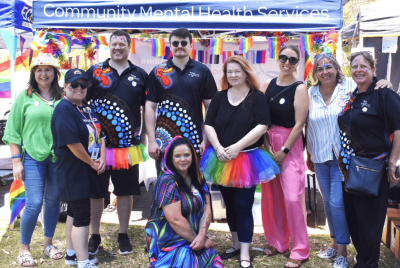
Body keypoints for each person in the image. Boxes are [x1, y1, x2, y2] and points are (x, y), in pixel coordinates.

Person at [306, 53, 392, 268]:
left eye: (329, 67)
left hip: (345, 160)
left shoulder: (349, 90)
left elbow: (390, 120)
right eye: (320, 68)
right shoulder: (312, 93)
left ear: (336, 68)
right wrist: (308, 154)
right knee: (331, 204)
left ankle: (346, 251)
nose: (325, 71)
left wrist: (384, 81)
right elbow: (305, 123)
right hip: (320, 155)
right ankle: (337, 246)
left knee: (339, 204)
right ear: (315, 73)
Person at [199, 55, 280, 268]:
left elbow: (261, 126)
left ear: (245, 73)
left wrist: (237, 147)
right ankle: (235, 245)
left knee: (244, 207)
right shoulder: (219, 97)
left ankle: (245, 252)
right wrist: (217, 148)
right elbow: (209, 125)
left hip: (247, 159)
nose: (233, 75)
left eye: (237, 71)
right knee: (230, 207)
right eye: (229, 72)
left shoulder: (257, 97)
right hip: (221, 159)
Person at [85, 30, 148, 255]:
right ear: (109, 46)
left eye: (122, 44)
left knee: (125, 191)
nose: (118, 47)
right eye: (114, 44)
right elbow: (81, 102)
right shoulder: (95, 71)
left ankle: (123, 234)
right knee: (96, 193)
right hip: (97, 147)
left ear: (129, 46)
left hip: (128, 147)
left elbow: (147, 108)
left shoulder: (140, 74)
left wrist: (143, 139)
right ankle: (94, 235)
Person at [337, 51, 400, 268]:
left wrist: (393, 162)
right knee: (354, 220)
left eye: (364, 66)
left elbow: (398, 129)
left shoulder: (384, 95)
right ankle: (362, 261)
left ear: (373, 69)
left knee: (370, 223)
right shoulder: (353, 96)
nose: (359, 70)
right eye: (354, 66)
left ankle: (369, 264)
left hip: (373, 169)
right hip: (349, 170)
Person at [3, 53, 63, 267]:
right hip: (32, 159)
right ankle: (24, 248)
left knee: (54, 202)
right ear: (33, 73)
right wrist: (16, 161)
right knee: (35, 203)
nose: (43, 73)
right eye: (39, 69)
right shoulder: (25, 97)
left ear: (55, 73)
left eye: (48, 69)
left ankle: (48, 244)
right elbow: (12, 132)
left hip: (58, 159)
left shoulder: (62, 96)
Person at [51, 68, 105, 268]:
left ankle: (72, 254)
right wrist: (92, 162)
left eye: (83, 85)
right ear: (65, 87)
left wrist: (102, 158)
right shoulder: (63, 109)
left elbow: (101, 134)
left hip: (87, 169)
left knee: (74, 212)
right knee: (82, 216)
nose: (79, 88)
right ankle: (83, 262)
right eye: (74, 84)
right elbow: (73, 144)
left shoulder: (85, 108)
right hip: (73, 171)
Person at [261, 44, 309, 268]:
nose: (287, 63)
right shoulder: (269, 85)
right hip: (269, 144)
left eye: (292, 59)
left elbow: (300, 123)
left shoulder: (300, 88)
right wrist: (266, 145)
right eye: (283, 58)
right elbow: (263, 119)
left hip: (290, 144)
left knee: (292, 197)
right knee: (273, 197)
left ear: (297, 62)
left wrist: (284, 151)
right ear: (277, 59)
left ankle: (299, 250)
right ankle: (278, 242)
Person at [145, 27, 218, 173]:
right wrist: (152, 141)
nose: (179, 46)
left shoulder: (202, 71)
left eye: (184, 43)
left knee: (196, 186)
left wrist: (207, 139)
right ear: (170, 46)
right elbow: (150, 107)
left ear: (191, 45)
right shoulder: (157, 72)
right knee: (166, 186)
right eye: (175, 43)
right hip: (163, 142)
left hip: (195, 140)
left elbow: (212, 108)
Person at [145, 137, 224, 268]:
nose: (183, 159)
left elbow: (206, 208)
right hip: (170, 241)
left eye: (187, 155)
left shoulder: (198, 177)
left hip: (194, 238)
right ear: (171, 158)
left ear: (193, 156)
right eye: (178, 156)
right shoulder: (167, 181)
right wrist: (198, 240)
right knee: (187, 261)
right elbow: (174, 219)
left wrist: (202, 235)